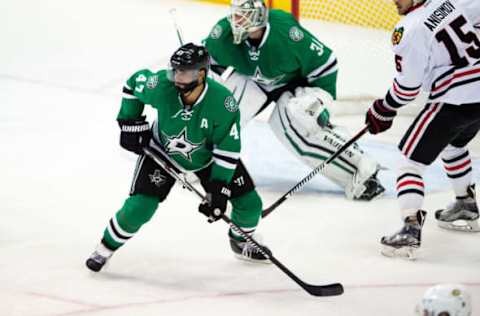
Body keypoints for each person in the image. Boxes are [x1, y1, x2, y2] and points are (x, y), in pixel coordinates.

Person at [85, 43, 270, 272]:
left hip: (207, 158)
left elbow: (227, 148)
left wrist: (219, 188)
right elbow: (133, 84)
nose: (177, 77)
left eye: (184, 71)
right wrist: (128, 122)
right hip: (162, 151)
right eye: (175, 70)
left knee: (250, 205)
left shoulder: (223, 103)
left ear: (202, 74)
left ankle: (240, 241)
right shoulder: (162, 86)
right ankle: (105, 248)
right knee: (139, 207)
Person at [203, 0, 385, 201]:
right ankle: (198, 160)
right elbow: (206, 64)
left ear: (258, 17)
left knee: (301, 120)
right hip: (253, 81)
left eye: (243, 15)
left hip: (296, 87)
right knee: (224, 110)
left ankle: (361, 169)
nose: (235, 21)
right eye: (235, 14)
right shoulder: (223, 33)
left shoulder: (287, 33)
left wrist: (320, 102)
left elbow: (327, 64)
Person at [365, 0, 480, 259]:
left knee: (409, 160)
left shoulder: (410, 28)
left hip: (455, 97)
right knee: (453, 145)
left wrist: (383, 108)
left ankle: (410, 229)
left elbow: (408, 87)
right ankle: (466, 204)